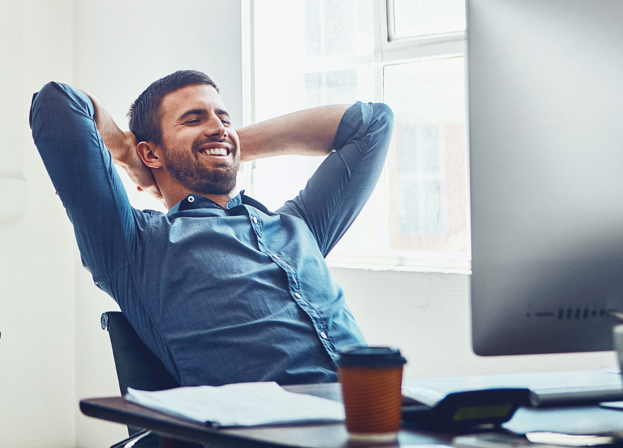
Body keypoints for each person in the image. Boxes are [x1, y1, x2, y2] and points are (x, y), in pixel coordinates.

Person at [29, 70, 394, 387]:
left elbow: (373, 123)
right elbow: (57, 104)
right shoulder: (134, 245)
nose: (218, 126)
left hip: (381, 418)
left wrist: (224, 144)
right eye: (193, 119)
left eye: (224, 118)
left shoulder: (296, 226)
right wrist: (126, 150)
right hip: (276, 434)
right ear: (150, 153)